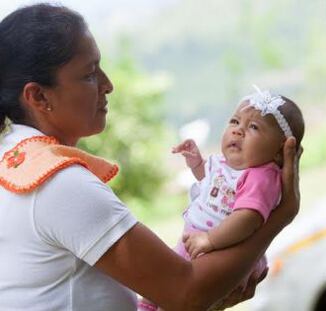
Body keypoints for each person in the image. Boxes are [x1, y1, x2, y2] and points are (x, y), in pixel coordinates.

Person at [0, 4, 301, 311]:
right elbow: (186, 293)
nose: (108, 84)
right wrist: (280, 215)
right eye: (90, 74)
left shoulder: (15, 164)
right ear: (38, 96)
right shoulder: (56, 183)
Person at [138, 88, 304, 310]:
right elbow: (214, 186)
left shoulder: (261, 176)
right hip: (198, 244)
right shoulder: (227, 167)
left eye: (253, 127)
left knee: (174, 289)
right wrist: (197, 164)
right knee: (160, 283)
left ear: (279, 151)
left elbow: (248, 218)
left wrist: (210, 240)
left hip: (222, 249)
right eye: (235, 122)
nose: (238, 131)